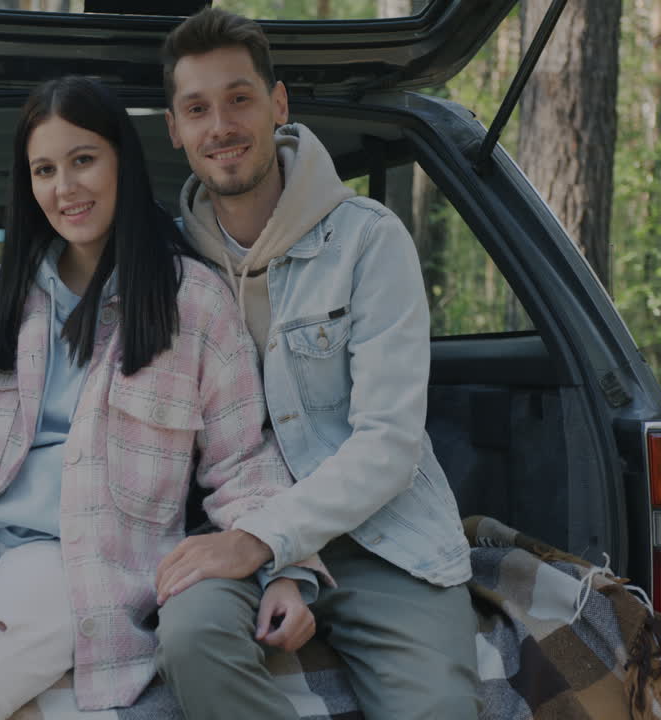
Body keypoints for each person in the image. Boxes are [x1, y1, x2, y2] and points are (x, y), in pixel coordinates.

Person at [0, 75, 322, 720]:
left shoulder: (194, 300)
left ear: (121, 163)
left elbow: (240, 457)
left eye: (83, 160)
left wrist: (287, 569)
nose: (65, 188)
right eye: (44, 169)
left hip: (83, 554)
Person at [152, 9, 480, 720]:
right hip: (232, 518)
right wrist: (259, 551)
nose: (221, 127)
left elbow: (389, 446)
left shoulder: (367, 240)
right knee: (189, 636)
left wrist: (267, 545)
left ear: (279, 104)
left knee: (440, 710)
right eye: (197, 108)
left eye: (240, 98)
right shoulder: (168, 268)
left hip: (383, 535)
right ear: (175, 128)